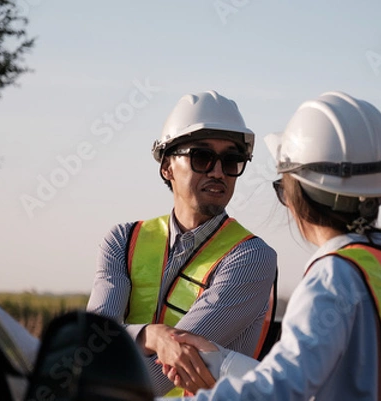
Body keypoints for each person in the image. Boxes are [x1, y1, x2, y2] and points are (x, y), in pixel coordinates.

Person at [156, 91, 381, 400]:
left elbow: (282, 391)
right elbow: (344, 372)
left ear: (297, 195)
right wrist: (223, 362)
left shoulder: (335, 279)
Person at [86, 90, 278, 397]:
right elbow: (91, 342)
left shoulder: (251, 257)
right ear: (167, 167)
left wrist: (93, 380)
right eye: (202, 157)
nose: (218, 172)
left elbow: (163, 374)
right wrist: (151, 335)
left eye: (231, 161)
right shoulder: (123, 240)